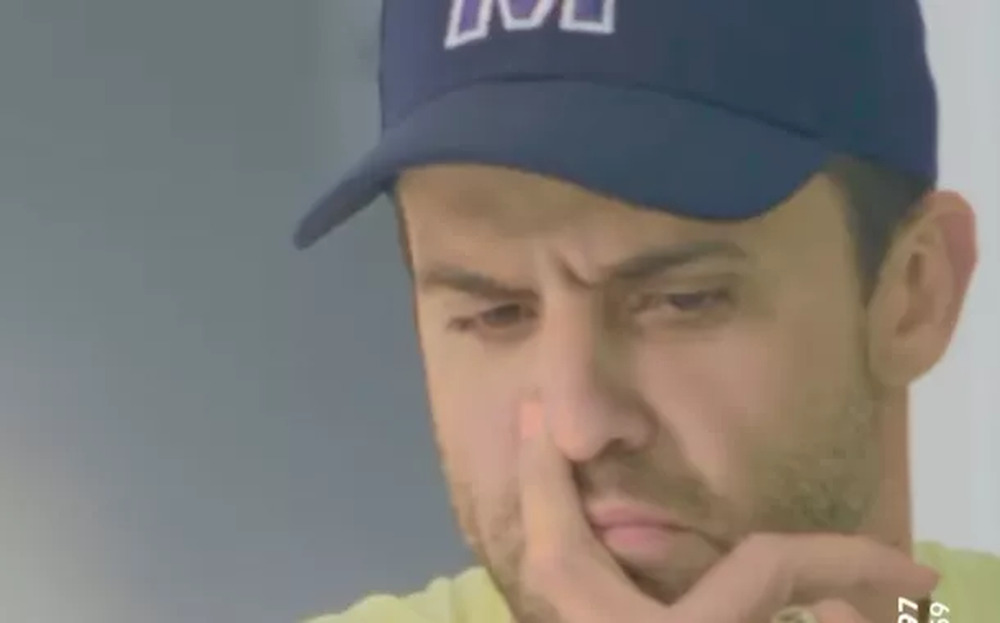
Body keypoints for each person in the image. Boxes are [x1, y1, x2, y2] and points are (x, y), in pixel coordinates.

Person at [294, 1, 1000, 621]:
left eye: (682, 301)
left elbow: (918, 610)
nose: (578, 426)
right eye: (497, 313)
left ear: (917, 294)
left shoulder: (928, 612)